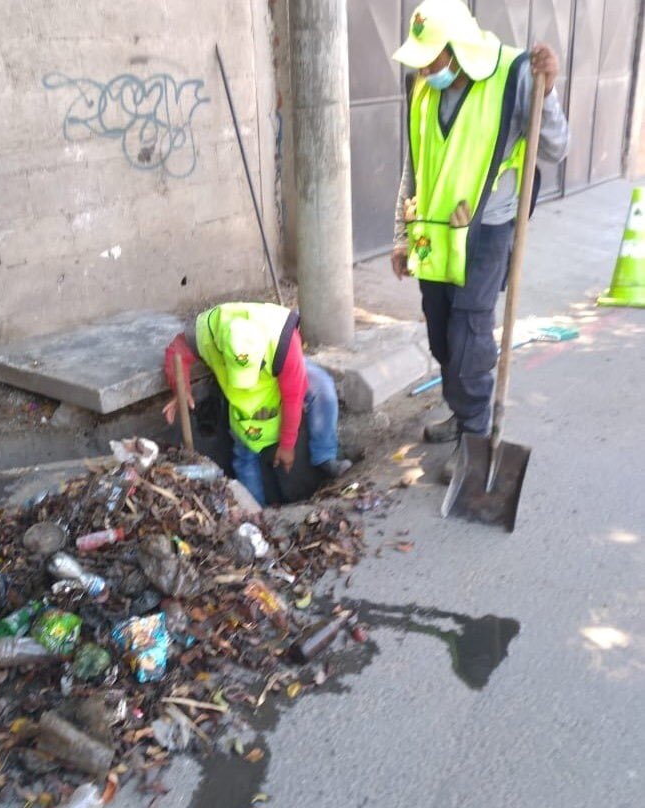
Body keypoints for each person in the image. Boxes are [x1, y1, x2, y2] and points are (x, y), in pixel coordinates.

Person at [390, 0, 569, 480]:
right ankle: (460, 409)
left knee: (469, 333)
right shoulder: (422, 88)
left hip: (488, 229)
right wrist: (400, 236)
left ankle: (473, 433)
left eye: (433, 58)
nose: (426, 68)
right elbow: (414, 165)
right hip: (433, 234)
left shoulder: (516, 74)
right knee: (441, 328)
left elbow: (555, 147)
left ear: (460, 49)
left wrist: (546, 94)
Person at [163, 301, 351, 505]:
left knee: (322, 386)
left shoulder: (282, 343)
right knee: (244, 453)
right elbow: (177, 350)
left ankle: (324, 456)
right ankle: (255, 511)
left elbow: (293, 397)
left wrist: (287, 445)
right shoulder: (207, 332)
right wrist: (181, 389)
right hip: (242, 405)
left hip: (276, 370)